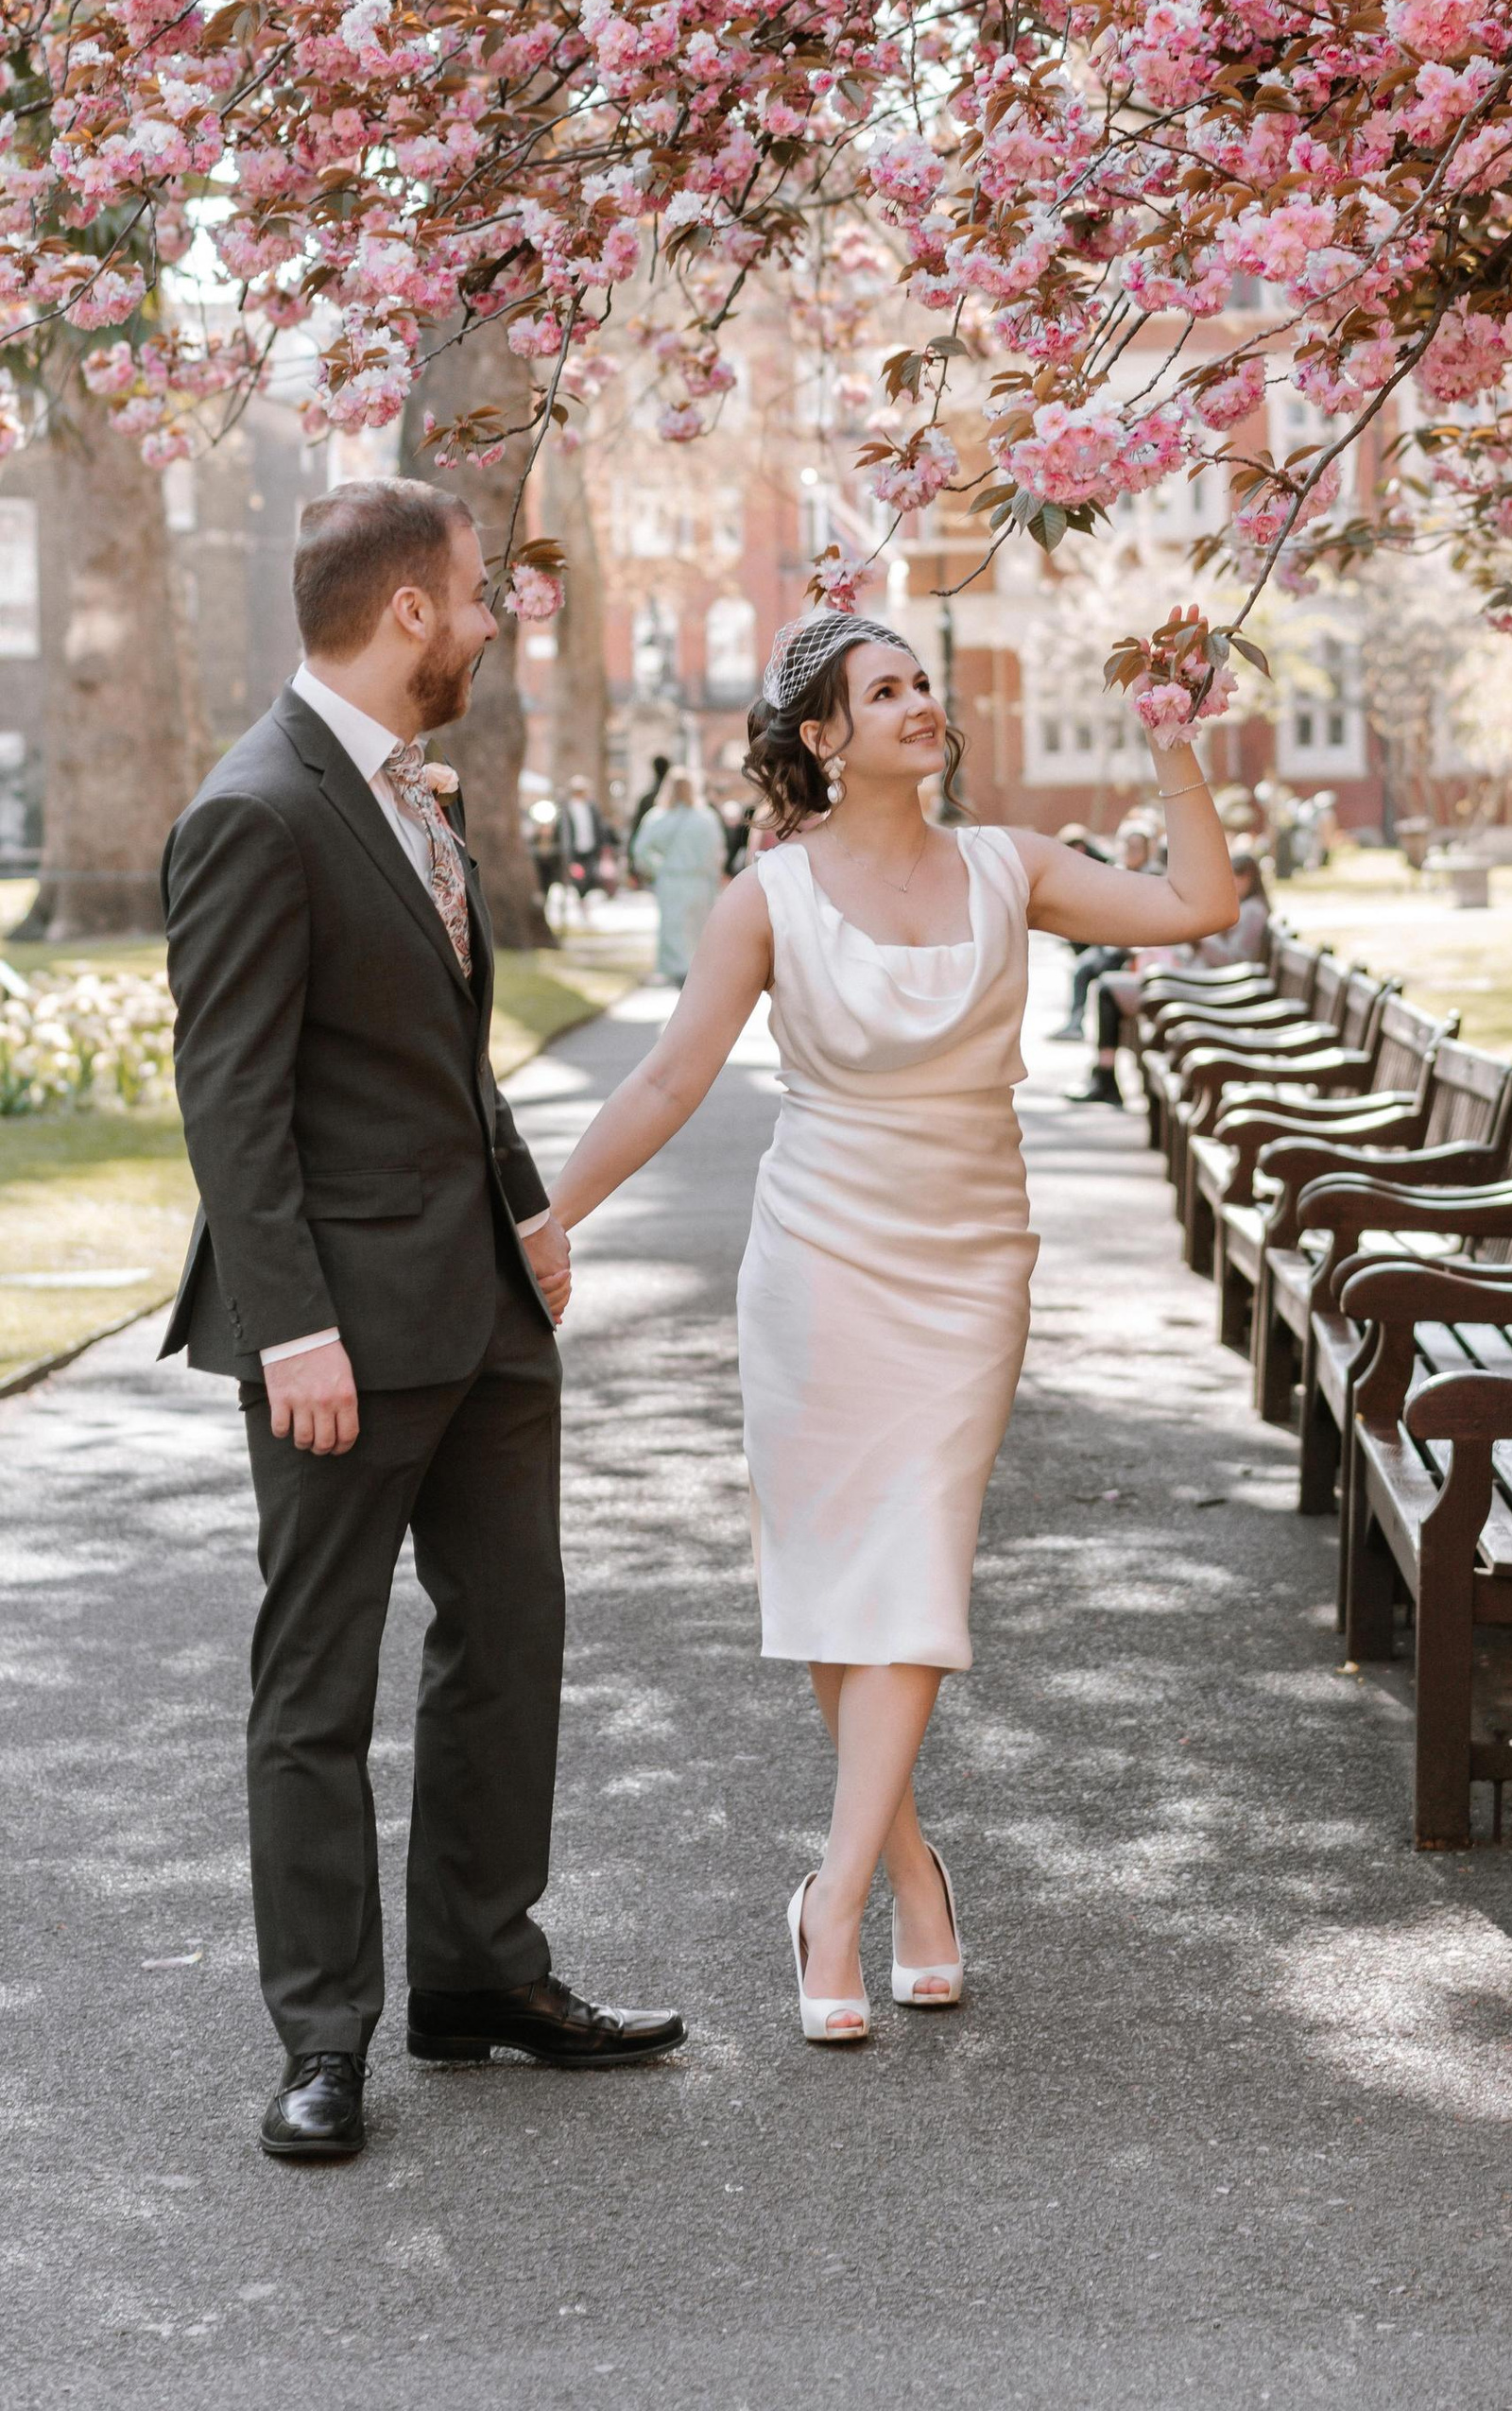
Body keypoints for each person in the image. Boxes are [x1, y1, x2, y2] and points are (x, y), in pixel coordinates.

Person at [541, 609, 1236, 2043]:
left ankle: (833, 1891)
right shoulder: (765, 899)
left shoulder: (1011, 866)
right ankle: (910, 1875)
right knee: (837, 1569)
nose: (925, 703)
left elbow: (1196, 906)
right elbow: (670, 1082)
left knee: (915, 1553)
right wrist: (556, 1217)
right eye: (887, 690)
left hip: (970, 1259)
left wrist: (1174, 747)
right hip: (816, 1259)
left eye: (927, 683)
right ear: (822, 737)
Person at [160, 477, 684, 2167]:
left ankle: (480, 1973)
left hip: (481, 1314)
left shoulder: (406, 792)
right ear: (402, 611)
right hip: (338, 1342)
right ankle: (324, 2036)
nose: (487, 620)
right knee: (315, 1685)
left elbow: (441, 1054)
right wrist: (295, 1325)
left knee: (507, 1642)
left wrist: (525, 1204)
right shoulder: (256, 807)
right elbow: (233, 1102)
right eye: (472, 596)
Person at [1072, 854, 1273, 1107]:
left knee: (1107, 990)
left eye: (1232, 876)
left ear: (1248, 878)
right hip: (1194, 983)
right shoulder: (1244, 906)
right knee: (1112, 982)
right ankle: (1104, 1076)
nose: (1227, 883)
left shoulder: (1253, 911)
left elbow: (1235, 961)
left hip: (1206, 991)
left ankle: (1105, 1078)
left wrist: (1201, 934)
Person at [1050, 818, 1158, 1039]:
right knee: (1082, 968)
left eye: (1137, 847)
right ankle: (1075, 1023)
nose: (1131, 852)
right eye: (1128, 846)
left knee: (1102, 982)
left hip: (1140, 950)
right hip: (1112, 946)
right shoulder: (1114, 872)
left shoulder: (1154, 878)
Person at [631, 766, 727, 983]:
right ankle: (697, 971)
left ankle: (679, 973)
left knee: (674, 928)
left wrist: (658, 870)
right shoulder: (706, 818)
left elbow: (641, 850)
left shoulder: (659, 818)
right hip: (701, 880)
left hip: (672, 879)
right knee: (699, 928)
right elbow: (717, 853)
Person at [556, 775, 616, 919]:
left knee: (590, 876)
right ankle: (580, 901)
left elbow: (598, 827)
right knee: (577, 878)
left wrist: (603, 845)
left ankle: (583, 901)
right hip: (575, 851)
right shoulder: (567, 808)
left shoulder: (591, 807)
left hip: (590, 848)